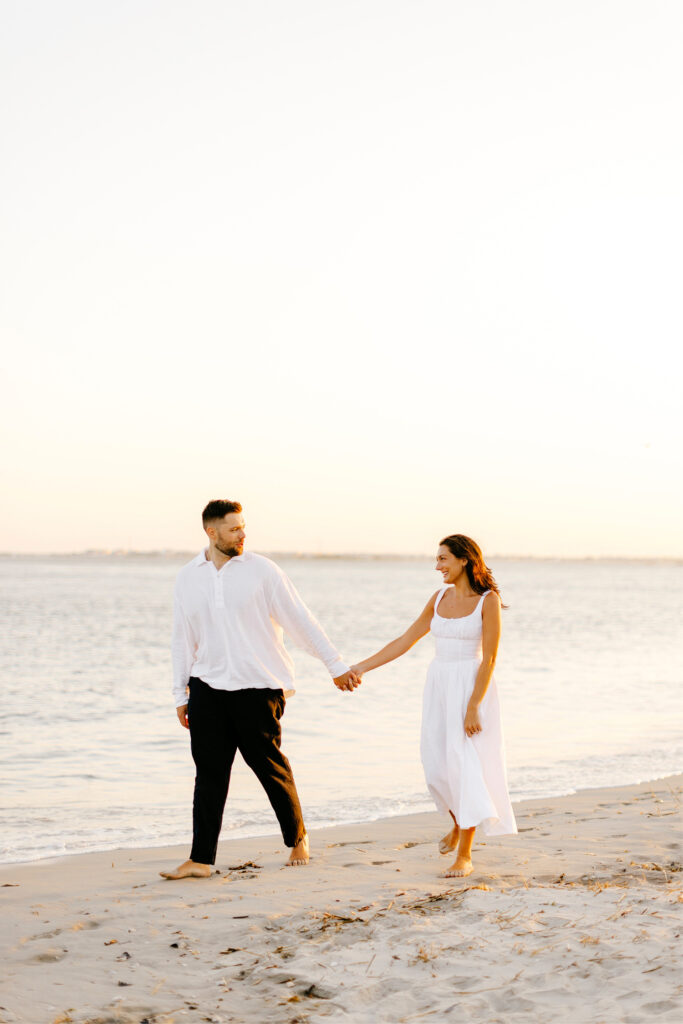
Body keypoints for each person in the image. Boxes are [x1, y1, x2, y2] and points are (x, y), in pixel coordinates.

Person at [161, 499, 361, 880]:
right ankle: (201, 859)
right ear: (211, 531)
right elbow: (181, 638)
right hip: (207, 687)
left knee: (267, 766)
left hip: (259, 686)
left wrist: (334, 665)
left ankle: (297, 837)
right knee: (209, 775)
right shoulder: (188, 577)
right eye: (234, 528)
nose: (242, 534)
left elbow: (301, 620)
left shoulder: (263, 571)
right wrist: (179, 693)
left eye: (243, 526)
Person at [351, 534, 516, 878]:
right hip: (439, 686)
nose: (437, 566)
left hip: (471, 688)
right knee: (437, 765)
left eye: (443, 559)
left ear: (465, 560)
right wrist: (360, 667)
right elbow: (405, 640)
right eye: (437, 559)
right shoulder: (439, 597)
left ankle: (466, 854)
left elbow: (490, 659)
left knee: (465, 766)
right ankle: (458, 823)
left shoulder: (488, 600)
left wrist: (473, 706)